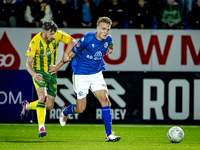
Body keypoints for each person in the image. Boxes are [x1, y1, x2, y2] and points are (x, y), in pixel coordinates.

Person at [59, 16, 121, 142]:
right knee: (80, 109)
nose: (105, 32)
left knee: (105, 100)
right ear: (97, 28)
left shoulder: (108, 38)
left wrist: (111, 48)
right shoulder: (87, 38)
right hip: (81, 74)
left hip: (96, 73)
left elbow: (110, 43)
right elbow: (72, 52)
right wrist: (59, 64)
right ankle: (66, 110)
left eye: (108, 29)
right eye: (103, 29)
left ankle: (109, 135)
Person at [20, 20, 76, 138]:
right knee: (43, 97)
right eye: (50, 34)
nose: (52, 36)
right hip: (39, 72)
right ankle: (41, 128)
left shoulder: (57, 34)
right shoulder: (35, 41)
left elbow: (72, 41)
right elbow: (28, 63)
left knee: (49, 105)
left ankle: (28, 106)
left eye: (54, 34)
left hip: (52, 71)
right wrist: (34, 74)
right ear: (43, 32)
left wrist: (64, 56)